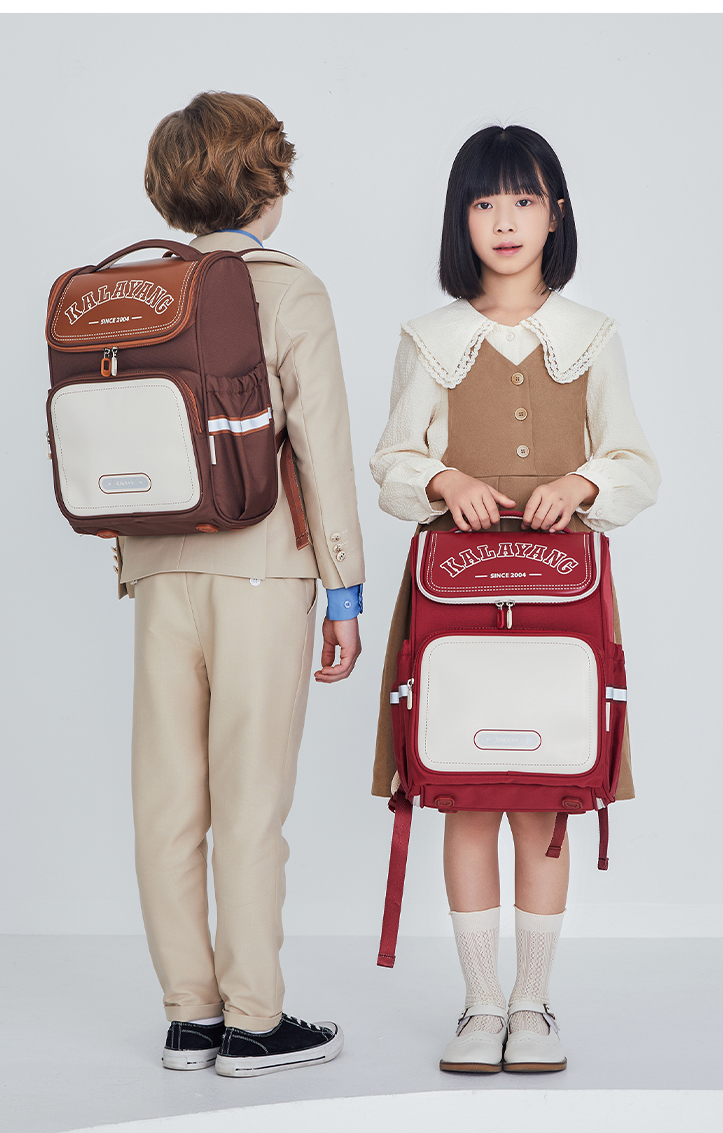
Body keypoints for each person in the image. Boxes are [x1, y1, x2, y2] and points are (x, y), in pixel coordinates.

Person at [370, 125, 659, 1073]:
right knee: (465, 792)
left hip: (562, 599)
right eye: (485, 202)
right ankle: (480, 1002)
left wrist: (583, 482)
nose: (505, 220)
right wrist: (443, 479)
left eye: (525, 200)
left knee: (545, 795)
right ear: (460, 219)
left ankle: (532, 1002)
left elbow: (635, 462)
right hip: (455, 595)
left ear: (555, 215)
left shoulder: (592, 338)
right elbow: (392, 459)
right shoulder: (430, 339)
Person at [116, 91, 365, 1077]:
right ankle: (254, 1021)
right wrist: (343, 590)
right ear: (269, 182)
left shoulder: (142, 288)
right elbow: (323, 448)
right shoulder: (289, 287)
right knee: (250, 801)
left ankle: (189, 1016)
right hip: (262, 568)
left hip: (156, 565)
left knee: (168, 801)